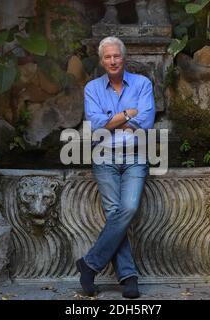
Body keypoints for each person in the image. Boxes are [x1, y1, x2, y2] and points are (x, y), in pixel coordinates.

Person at [76, 36, 155, 299]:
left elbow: (146, 122)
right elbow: (96, 125)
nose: (112, 61)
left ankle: (90, 264)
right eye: (107, 57)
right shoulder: (92, 88)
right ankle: (129, 276)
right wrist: (126, 115)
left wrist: (113, 121)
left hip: (135, 156)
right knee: (114, 213)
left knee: (128, 208)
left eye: (116, 56)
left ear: (124, 57)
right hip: (104, 157)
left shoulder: (143, 84)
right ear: (101, 61)